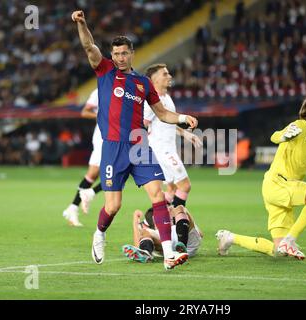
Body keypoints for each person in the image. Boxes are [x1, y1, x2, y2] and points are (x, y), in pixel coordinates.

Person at [72, 10, 198, 270]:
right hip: (113, 148)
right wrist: (82, 23)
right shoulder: (105, 70)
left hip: (140, 146)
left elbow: (162, 113)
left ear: (131, 53)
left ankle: (168, 254)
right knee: (113, 205)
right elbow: (88, 45)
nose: (120, 57)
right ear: (112, 55)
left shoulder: (143, 83)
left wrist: (183, 117)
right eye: (116, 53)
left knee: (157, 196)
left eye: (124, 53)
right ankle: (99, 234)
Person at [216, 97, 306, 260]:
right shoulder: (301, 126)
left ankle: (229, 238)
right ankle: (290, 240)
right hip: (278, 183)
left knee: (278, 252)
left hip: (282, 188)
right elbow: (275, 136)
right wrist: (284, 136)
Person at [144, 63, 202, 208]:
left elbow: (166, 121)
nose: (169, 76)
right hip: (162, 151)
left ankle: (148, 223)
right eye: (165, 74)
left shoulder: (166, 98)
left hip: (169, 148)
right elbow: (142, 125)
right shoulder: (151, 101)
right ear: (154, 80)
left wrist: (185, 134)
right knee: (185, 186)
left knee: (171, 189)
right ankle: (178, 223)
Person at [62, 89, 103, 226]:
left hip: (117, 135)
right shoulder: (99, 91)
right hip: (104, 136)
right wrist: (100, 116)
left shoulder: (125, 87)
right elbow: (85, 111)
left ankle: (73, 207)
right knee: (117, 173)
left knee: (92, 175)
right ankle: (89, 193)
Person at [122, 204, 203, 263]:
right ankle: (145, 254)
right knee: (144, 232)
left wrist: (177, 212)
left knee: (180, 207)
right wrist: (135, 220)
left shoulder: (178, 225)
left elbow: (200, 234)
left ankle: (182, 247)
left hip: (187, 241)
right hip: (168, 248)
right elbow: (137, 246)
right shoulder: (154, 232)